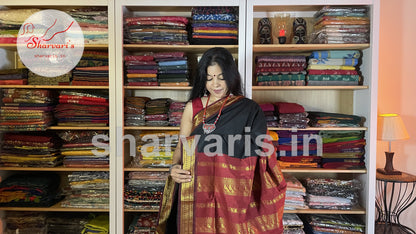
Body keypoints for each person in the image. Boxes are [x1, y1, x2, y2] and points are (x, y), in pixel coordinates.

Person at [157, 47, 287, 234]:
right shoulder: (192, 108)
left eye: (221, 77)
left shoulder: (249, 110)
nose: (215, 84)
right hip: (195, 190)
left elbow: (261, 151)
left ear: (231, 75)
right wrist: (174, 168)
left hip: (234, 194)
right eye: (209, 78)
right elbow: (182, 146)